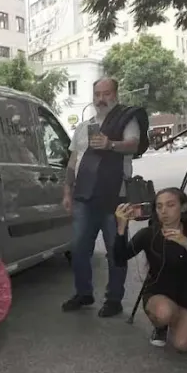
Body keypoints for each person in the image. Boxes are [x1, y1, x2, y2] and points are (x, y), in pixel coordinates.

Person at [62, 77, 142, 317]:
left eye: (106, 94)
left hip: (114, 197)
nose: (101, 99)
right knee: (79, 249)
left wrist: (110, 145)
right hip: (83, 197)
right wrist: (67, 191)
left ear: (115, 95)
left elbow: (133, 145)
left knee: (115, 250)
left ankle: (114, 299)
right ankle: (84, 293)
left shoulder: (126, 120)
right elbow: (73, 161)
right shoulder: (83, 127)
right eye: (97, 94)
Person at [112, 189, 187, 352]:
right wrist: (121, 228)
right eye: (159, 206)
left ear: (183, 207)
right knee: (163, 312)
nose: (164, 211)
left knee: (182, 345)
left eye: (170, 205)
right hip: (159, 293)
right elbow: (119, 259)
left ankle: (182, 321)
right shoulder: (149, 234)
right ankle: (162, 325)